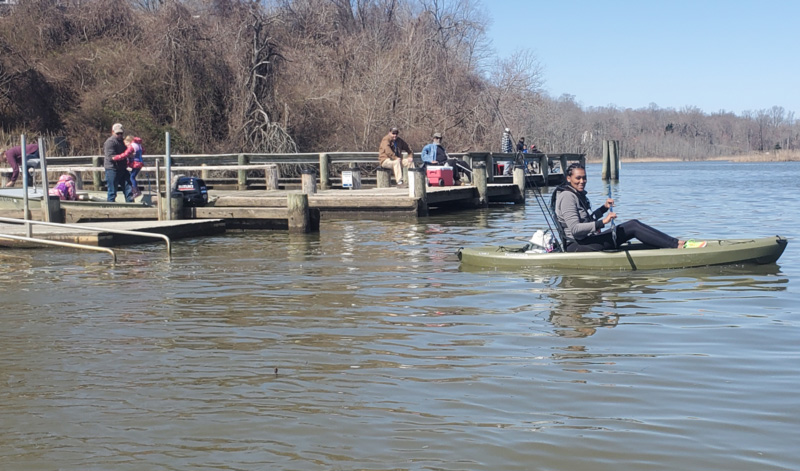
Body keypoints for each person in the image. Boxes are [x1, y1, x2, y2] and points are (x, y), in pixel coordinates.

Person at [552, 163, 706, 252]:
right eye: (578, 178)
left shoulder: (575, 194)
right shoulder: (567, 196)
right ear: (568, 178)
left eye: (584, 177)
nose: (582, 181)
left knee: (633, 224)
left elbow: (588, 219)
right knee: (632, 226)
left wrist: (604, 208)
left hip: (587, 240)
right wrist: (603, 222)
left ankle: (675, 243)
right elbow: (575, 229)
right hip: (578, 246)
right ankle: (676, 245)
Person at [103, 123, 134, 202]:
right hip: (112, 169)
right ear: (112, 132)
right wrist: (124, 156)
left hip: (123, 168)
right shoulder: (110, 142)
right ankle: (110, 207)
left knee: (129, 188)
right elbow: (111, 156)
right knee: (112, 191)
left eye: (121, 133)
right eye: (117, 133)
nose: (119, 135)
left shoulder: (123, 142)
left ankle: (131, 205)